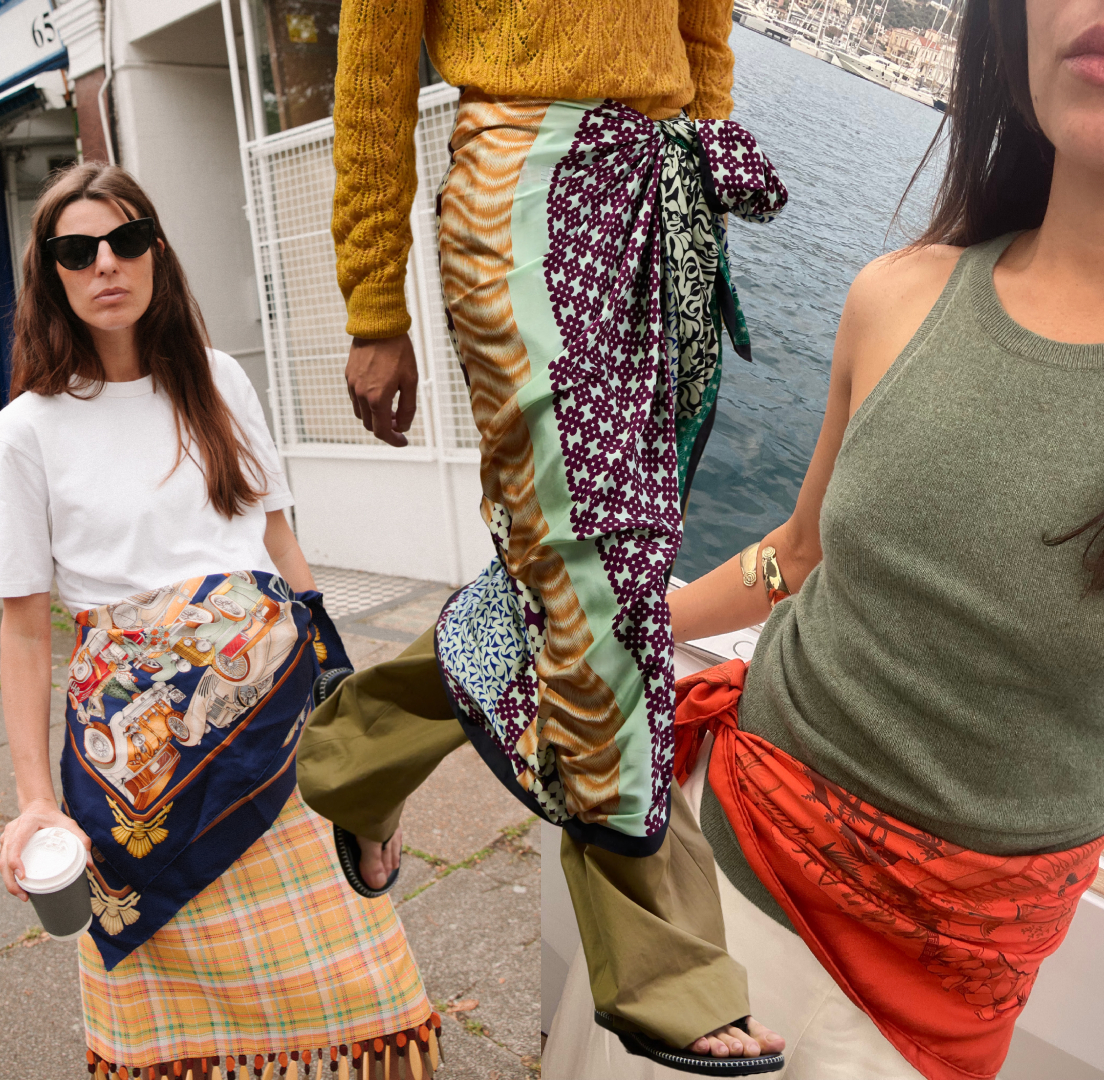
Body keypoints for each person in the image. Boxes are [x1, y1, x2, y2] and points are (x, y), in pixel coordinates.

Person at [544, 0, 1104, 1076]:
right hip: (716, 876)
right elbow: (798, 559)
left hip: (937, 1005)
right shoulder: (896, 294)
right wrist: (626, 624)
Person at [302, 0, 796, 1071]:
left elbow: (703, 34)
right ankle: (668, 970)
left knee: (573, 564)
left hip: (659, 202)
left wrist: (704, 169)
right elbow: (373, 80)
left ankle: (351, 756)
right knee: (597, 570)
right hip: (524, 183)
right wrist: (372, 304)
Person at [0, 163, 441, 1080]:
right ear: (52, 274)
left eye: (126, 240)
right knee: (172, 1026)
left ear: (157, 250)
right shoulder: (24, 431)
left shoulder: (221, 379)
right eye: (77, 251)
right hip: (133, 757)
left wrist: (337, 682)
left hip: (276, 715)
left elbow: (278, 539)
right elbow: (26, 631)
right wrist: (35, 799)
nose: (106, 263)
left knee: (359, 980)